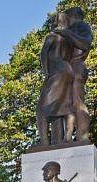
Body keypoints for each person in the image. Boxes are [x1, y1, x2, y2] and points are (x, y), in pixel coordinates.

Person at [36, 12, 76, 146]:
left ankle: (44, 142)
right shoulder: (70, 40)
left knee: (41, 109)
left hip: (56, 72)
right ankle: (68, 137)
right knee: (66, 105)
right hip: (68, 71)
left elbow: (44, 54)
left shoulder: (53, 36)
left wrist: (46, 72)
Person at [54, 7, 93, 142]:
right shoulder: (70, 30)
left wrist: (65, 33)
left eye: (67, 18)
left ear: (72, 16)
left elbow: (85, 43)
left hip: (76, 67)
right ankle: (67, 138)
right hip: (65, 70)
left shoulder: (81, 26)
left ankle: (83, 137)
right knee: (66, 106)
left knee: (77, 103)